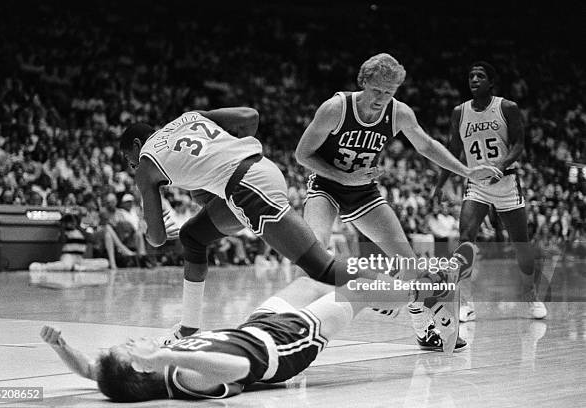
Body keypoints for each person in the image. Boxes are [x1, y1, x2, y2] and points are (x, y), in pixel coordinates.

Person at [119, 106, 489, 343]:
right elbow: (250, 117)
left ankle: (428, 287)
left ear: (137, 145)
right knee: (193, 236)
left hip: (247, 189)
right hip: (258, 173)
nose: (132, 168)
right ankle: (188, 329)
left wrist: (154, 210)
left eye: (128, 160)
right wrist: (216, 157)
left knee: (321, 268)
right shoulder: (190, 118)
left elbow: (153, 238)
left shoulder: (147, 163)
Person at [40, 246, 476, 402]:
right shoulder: (185, 377)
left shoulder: (140, 373)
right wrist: (164, 354)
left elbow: (93, 373)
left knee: (309, 279)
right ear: (143, 367)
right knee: (357, 288)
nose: (134, 341)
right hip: (284, 347)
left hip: (255, 326)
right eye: (131, 349)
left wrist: (63, 348)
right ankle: (428, 295)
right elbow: (238, 371)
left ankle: (399, 299)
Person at [295, 53, 502, 350]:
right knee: (312, 256)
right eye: (376, 90)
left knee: (409, 265)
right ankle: (299, 333)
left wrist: (467, 171)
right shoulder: (336, 108)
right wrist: (343, 177)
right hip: (326, 187)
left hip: (364, 192)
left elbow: (427, 145)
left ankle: (422, 330)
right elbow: (302, 155)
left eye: (389, 92)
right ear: (363, 82)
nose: (381, 98)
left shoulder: (399, 113)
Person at [432, 61, 547, 321]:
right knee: (465, 237)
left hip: (506, 183)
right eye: (471, 75)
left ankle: (531, 296)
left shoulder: (507, 107)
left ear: (491, 82)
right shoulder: (458, 113)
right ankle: (466, 302)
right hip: (477, 185)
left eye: (480, 76)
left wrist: (502, 164)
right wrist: (440, 184)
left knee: (521, 245)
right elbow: (453, 153)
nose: (474, 79)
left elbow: (519, 144)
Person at [29, 213, 110, 273]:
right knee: (67, 266)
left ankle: (80, 268)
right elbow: (62, 241)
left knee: (105, 263)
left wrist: (78, 227)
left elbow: (91, 239)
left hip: (79, 258)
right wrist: (62, 228)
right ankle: (42, 267)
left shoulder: (83, 231)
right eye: (68, 221)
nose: (70, 223)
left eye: (72, 221)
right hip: (68, 257)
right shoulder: (65, 232)